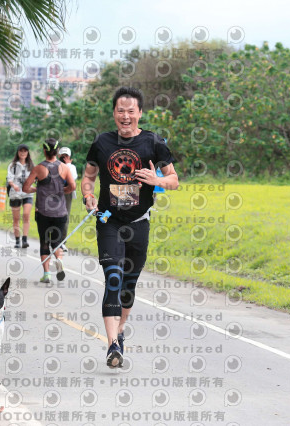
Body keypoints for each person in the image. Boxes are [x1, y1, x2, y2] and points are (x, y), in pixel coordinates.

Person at [81, 87, 179, 368]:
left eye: (131, 111)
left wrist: (156, 180)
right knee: (113, 278)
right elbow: (88, 177)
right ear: (114, 113)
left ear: (139, 113)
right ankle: (112, 344)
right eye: (120, 111)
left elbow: (174, 180)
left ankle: (120, 330)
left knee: (128, 285)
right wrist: (88, 196)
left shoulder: (153, 142)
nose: (125, 116)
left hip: (138, 223)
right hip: (108, 221)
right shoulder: (101, 142)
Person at [23, 138, 76, 284]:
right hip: (60, 212)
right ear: (57, 151)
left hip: (43, 212)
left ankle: (46, 274)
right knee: (57, 241)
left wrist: (37, 189)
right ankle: (59, 260)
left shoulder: (38, 168)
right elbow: (72, 186)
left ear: (44, 151)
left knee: (45, 242)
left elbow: (25, 188)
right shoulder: (65, 168)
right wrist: (63, 190)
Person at [7, 143, 35, 248]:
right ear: (18, 152)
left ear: (28, 153)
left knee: (26, 215)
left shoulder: (31, 165)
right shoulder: (12, 165)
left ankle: (25, 239)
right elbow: (9, 179)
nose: (23, 153)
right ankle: (17, 240)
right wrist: (14, 185)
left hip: (28, 193)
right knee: (16, 218)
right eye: (21, 151)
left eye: (25, 151)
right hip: (15, 194)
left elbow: (35, 178)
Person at [58, 147, 78, 252]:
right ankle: (53, 240)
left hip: (67, 193)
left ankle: (62, 242)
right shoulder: (55, 165)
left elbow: (73, 177)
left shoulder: (72, 167)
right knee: (54, 216)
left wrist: (68, 165)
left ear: (69, 157)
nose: (64, 158)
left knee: (65, 217)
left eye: (66, 156)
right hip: (55, 193)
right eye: (62, 156)